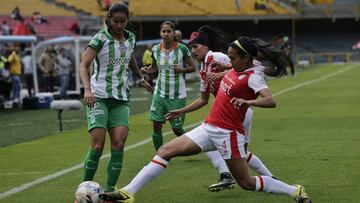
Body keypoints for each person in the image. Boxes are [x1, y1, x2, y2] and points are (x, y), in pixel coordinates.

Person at [99, 36, 312, 203]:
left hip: (229, 133)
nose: (230, 61)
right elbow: (229, 73)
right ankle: (128, 192)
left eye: (234, 58)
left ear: (245, 58)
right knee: (165, 151)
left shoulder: (253, 76)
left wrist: (249, 102)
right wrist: (220, 75)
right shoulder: (234, 68)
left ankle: (294, 190)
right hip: (209, 127)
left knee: (246, 183)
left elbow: (271, 101)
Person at [165, 25, 275, 192]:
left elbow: (246, 66)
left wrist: (221, 73)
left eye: (195, 46)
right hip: (229, 113)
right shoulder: (203, 70)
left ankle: (227, 175)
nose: (193, 51)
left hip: (238, 112)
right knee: (239, 152)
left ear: (205, 46)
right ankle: (268, 178)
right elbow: (203, 100)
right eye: (191, 48)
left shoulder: (217, 57)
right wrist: (181, 110)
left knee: (216, 143)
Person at [79, 3, 153, 192]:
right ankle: (83, 189)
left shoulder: (131, 38)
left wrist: (140, 78)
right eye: (116, 21)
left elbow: (129, 58)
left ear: (127, 20)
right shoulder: (100, 38)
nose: (120, 25)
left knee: (119, 144)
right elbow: (83, 64)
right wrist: (87, 89)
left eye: (123, 21)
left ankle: (110, 190)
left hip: (121, 99)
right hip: (98, 97)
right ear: (109, 19)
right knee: (97, 146)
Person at [140, 21, 196, 150]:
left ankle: (197, 145)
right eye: (163, 31)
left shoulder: (182, 48)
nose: (166, 34)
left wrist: (182, 70)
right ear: (160, 33)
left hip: (177, 94)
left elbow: (193, 67)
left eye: (169, 31)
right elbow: (154, 68)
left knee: (176, 129)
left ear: (173, 33)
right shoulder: (155, 49)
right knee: (156, 124)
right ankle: (160, 155)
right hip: (159, 92)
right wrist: (146, 70)